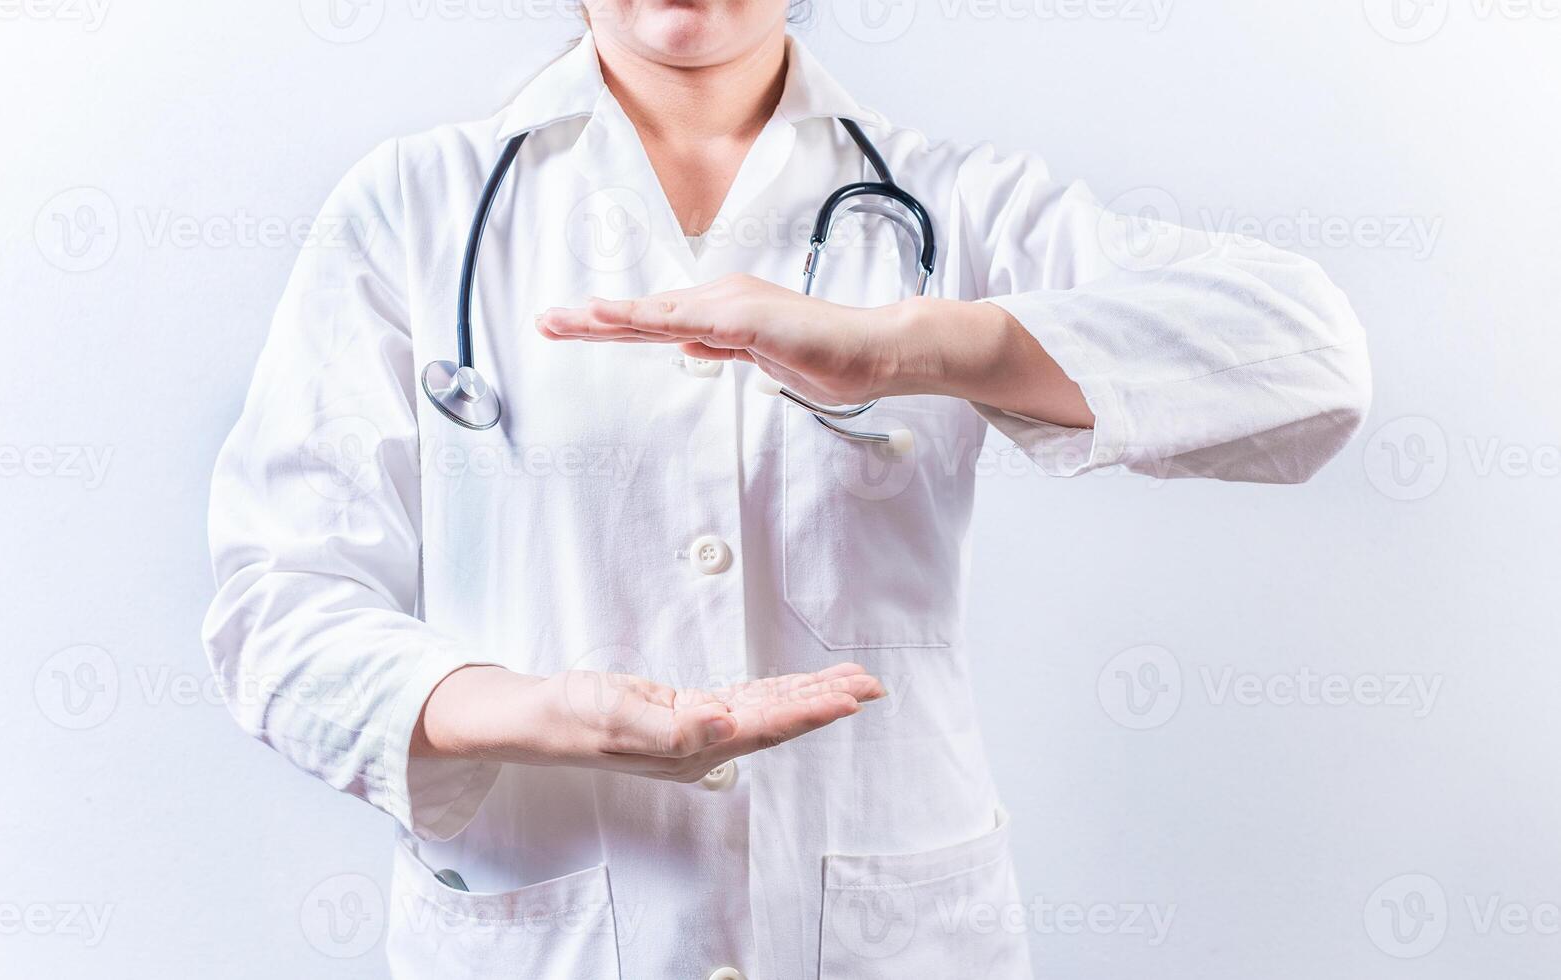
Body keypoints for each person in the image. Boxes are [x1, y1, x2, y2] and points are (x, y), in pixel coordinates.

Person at [203, 2, 1371, 977]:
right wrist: (538, 710)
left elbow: (1306, 354)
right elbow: (276, 612)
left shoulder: (945, 200)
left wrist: (903, 344)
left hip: (888, 933)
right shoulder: (415, 209)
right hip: (546, 925)